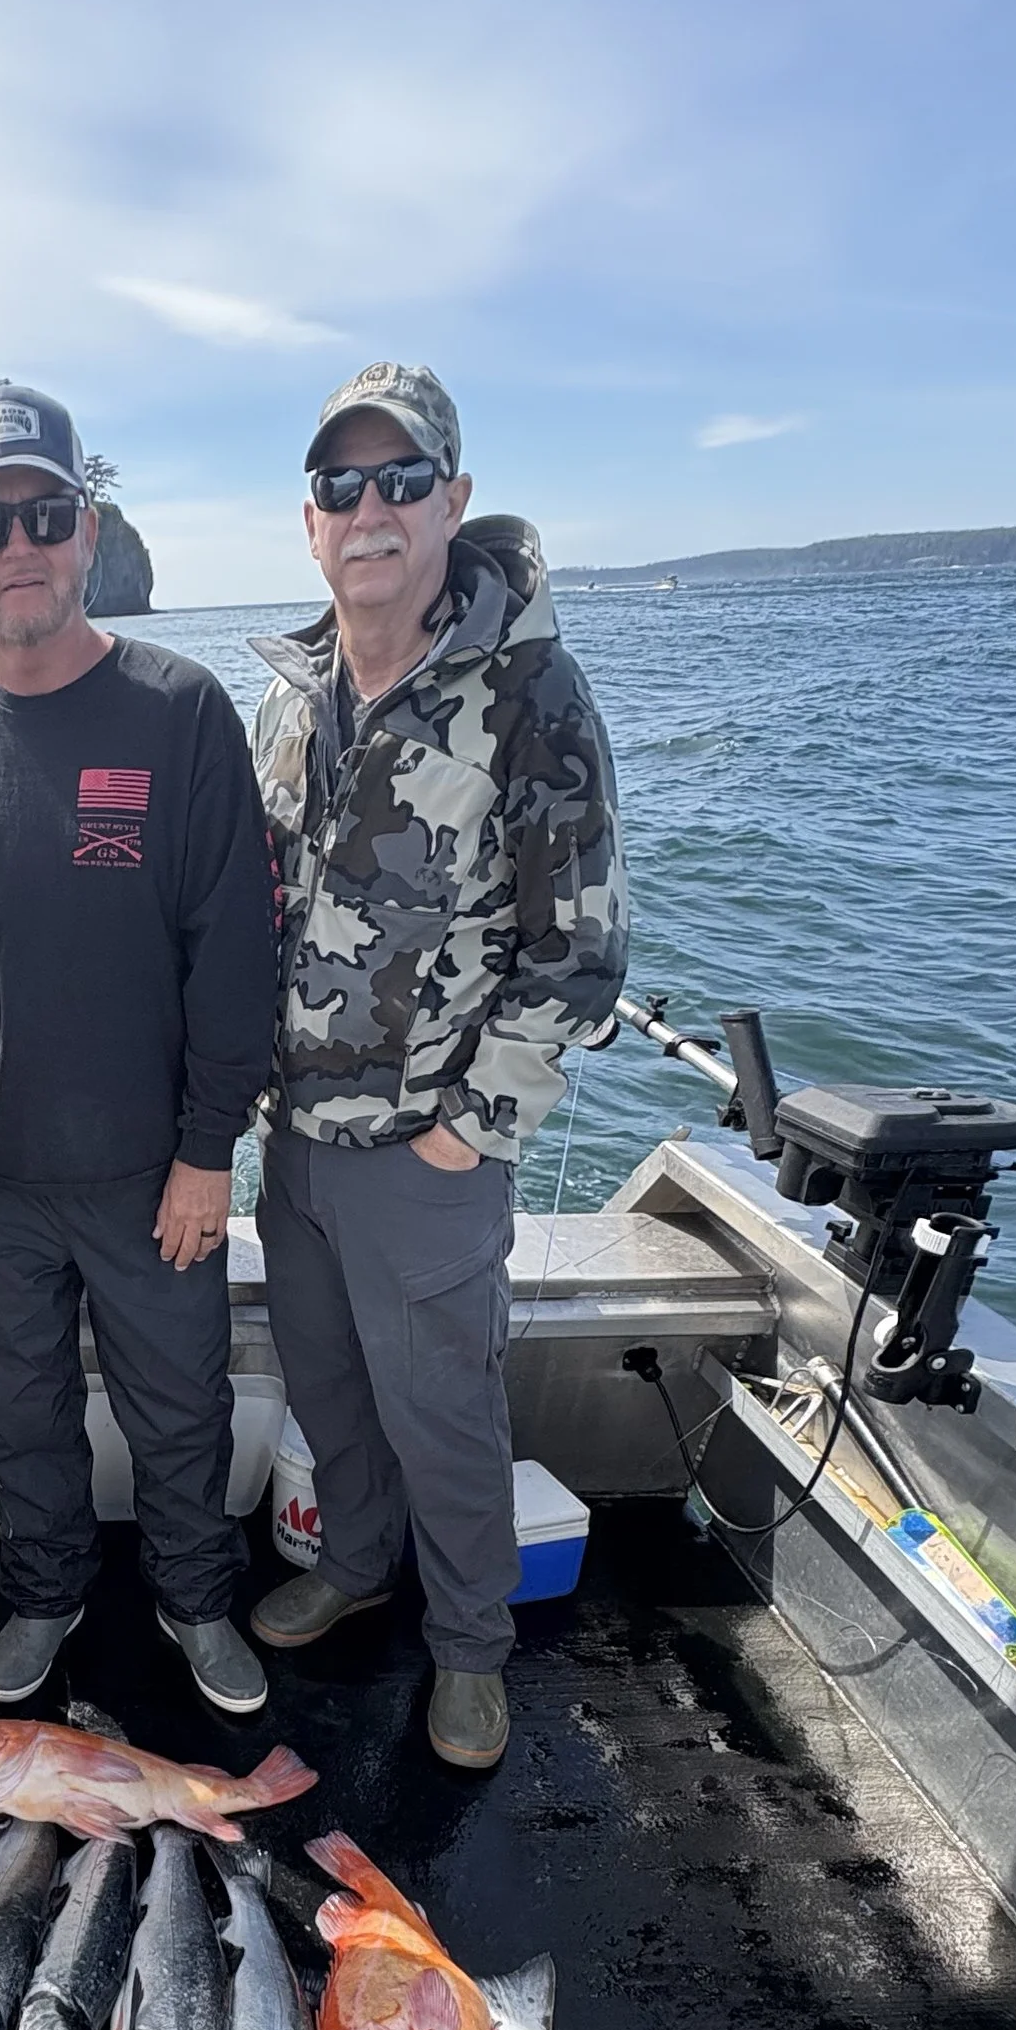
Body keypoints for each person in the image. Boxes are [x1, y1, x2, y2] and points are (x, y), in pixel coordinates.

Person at [246, 364, 627, 1768]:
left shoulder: (532, 692)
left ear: (453, 502)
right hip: (293, 1139)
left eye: (402, 481)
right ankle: (354, 1566)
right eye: (342, 487)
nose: (372, 510)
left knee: (445, 1417)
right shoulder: (288, 700)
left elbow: (580, 948)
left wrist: (469, 1129)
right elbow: (247, 905)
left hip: (428, 1154)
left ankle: (471, 1645)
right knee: (328, 1392)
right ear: (311, 522)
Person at [0, 383, 278, 1716]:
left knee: (181, 1412)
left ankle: (198, 1603)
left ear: (88, 530)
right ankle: (45, 1596)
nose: (18, 546)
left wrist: (208, 1152)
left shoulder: (180, 712)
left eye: (43, 514)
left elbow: (236, 951)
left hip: (151, 1173)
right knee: (21, 1417)